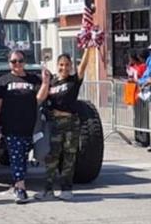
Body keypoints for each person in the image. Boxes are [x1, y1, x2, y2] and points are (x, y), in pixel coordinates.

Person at [35, 47, 94, 201]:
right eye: (61, 65)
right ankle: (48, 190)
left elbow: (84, 66)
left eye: (67, 65)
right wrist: (45, 82)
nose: (64, 68)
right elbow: (40, 98)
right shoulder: (52, 82)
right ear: (57, 65)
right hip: (54, 124)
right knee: (52, 157)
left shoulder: (74, 81)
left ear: (71, 66)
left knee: (69, 157)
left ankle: (66, 189)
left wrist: (89, 47)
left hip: (71, 123)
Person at [0, 50, 47, 204]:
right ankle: (20, 187)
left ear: (24, 62)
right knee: (16, 156)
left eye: (20, 61)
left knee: (23, 156)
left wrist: (46, 83)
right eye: (14, 61)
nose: (17, 64)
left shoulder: (33, 79)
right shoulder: (3, 81)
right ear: (9, 63)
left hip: (30, 126)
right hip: (11, 125)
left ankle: (18, 183)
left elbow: (39, 99)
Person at [127, 51, 149, 147]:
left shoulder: (142, 66)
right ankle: (138, 137)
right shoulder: (133, 67)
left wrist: (134, 80)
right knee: (137, 117)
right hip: (134, 94)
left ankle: (144, 139)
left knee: (143, 117)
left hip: (141, 93)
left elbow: (144, 79)